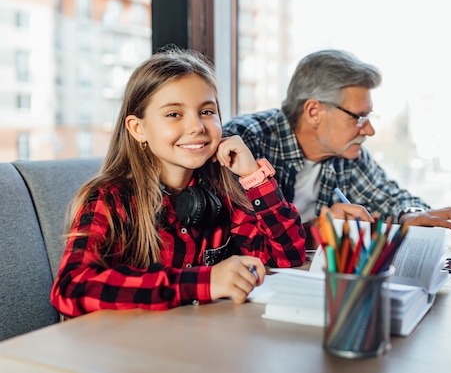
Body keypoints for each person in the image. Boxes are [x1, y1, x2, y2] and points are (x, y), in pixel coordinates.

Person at [50, 47, 306, 318]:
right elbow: (71, 288)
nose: (197, 126)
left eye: (207, 111)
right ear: (138, 129)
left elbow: (286, 256)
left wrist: (253, 176)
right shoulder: (110, 198)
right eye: (174, 114)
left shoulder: (221, 192)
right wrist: (203, 282)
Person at [222, 49, 451, 239]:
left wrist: (411, 214)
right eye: (359, 117)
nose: (370, 130)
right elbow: (235, 240)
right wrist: (314, 230)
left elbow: (390, 197)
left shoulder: (346, 153)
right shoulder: (244, 142)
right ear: (314, 111)